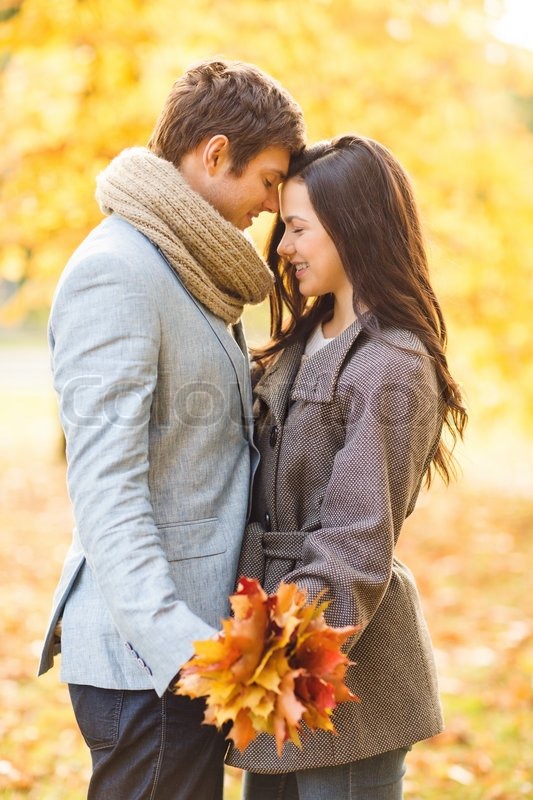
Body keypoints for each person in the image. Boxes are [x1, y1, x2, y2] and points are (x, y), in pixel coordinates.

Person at [38, 58, 305, 800]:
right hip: (150, 666)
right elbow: (106, 487)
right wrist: (178, 650)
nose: (273, 204)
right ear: (215, 154)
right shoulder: (119, 273)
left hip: (188, 657)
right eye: (269, 180)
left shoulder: (187, 269)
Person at [226, 135, 467, 799]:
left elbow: (355, 544)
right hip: (275, 655)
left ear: (351, 229)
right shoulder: (303, 340)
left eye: (297, 229)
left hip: (339, 664)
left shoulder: (393, 361)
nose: (282, 247)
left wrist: (267, 654)